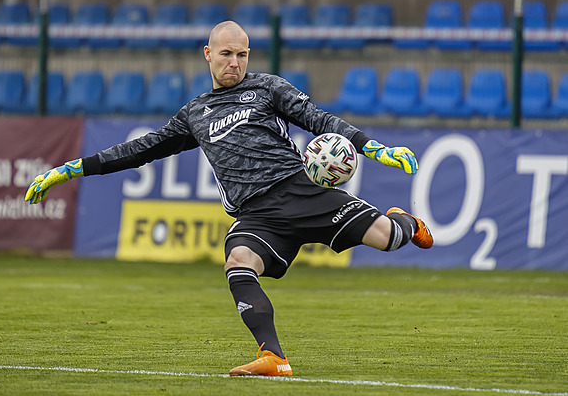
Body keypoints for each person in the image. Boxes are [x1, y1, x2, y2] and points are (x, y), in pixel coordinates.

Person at [25, 21, 433, 377]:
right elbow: (141, 149)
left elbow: (319, 119)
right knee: (238, 261)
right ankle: (273, 355)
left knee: (387, 238)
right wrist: (72, 168)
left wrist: (372, 147)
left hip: (302, 191)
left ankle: (406, 222)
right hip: (257, 215)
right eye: (225, 54)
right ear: (208, 54)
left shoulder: (267, 87)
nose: (234, 62)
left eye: (241, 54)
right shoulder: (195, 114)